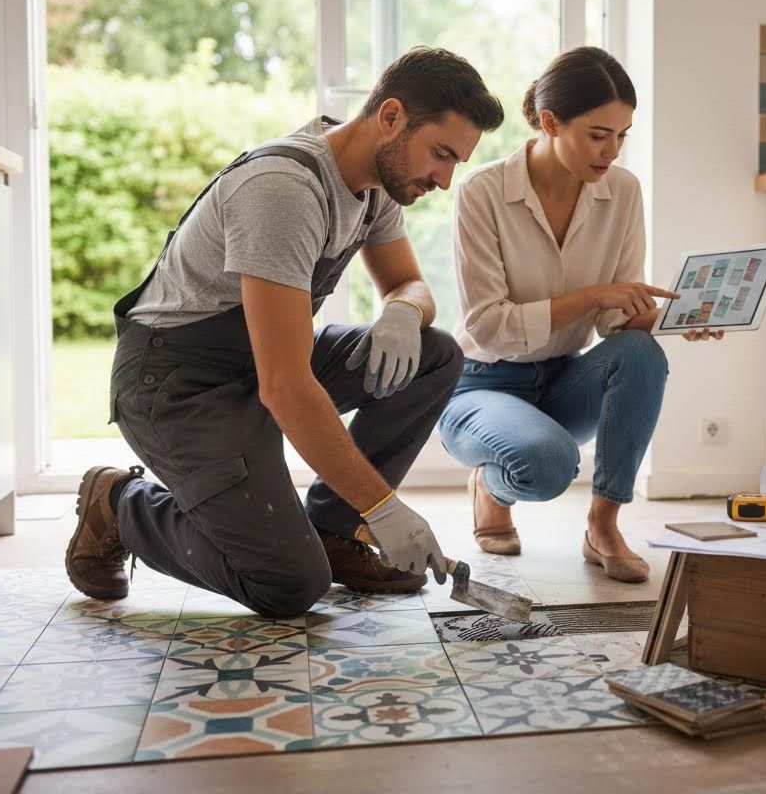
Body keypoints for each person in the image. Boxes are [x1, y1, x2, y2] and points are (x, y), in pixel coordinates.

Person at [64, 47, 505, 619]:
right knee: (288, 586)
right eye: (441, 155)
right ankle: (119, 504)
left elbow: (410, 284)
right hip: (177, 382)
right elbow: (287, 387)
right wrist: (385, 506)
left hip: (259, 359)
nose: (444, 180)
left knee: (435, 352)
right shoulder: (283, 190)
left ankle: (329, 530)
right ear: (391, 117)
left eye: (456, 163)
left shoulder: (377, 182)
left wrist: (403, 312)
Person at [437, 47, 722, 584]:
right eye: (598, 134)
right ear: (550, 122)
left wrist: (670, 321)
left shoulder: (623, 191)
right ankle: (492, 487)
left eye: (622, 135)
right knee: (545, 467)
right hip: (481, 385)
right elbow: (489, 324)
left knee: (641, 351)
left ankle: (603, 526)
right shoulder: (484, 193)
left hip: (564, 379)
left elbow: (616, 325)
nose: (612, 150)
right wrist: (595, 294)